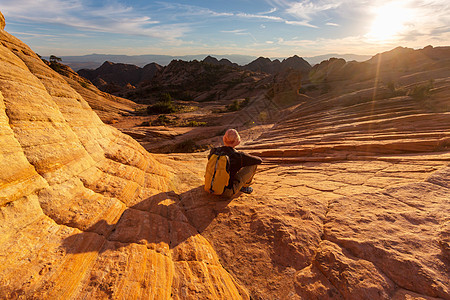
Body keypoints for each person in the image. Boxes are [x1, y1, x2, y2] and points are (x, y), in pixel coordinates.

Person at [208, 129, 262, 196]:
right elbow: (259, 160)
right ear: (238, 141)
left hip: (211, 187)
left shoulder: (214, 151)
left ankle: (214, 183)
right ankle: (245, 187)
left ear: (224, 139)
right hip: (227, 192)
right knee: (253, 165)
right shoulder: (238, 156)